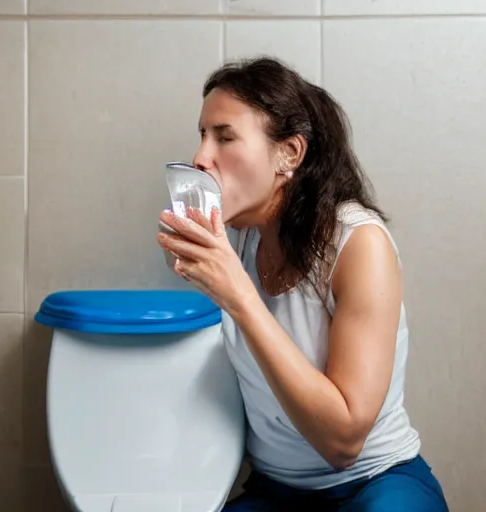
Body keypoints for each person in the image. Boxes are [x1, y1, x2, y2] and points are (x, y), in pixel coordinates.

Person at [157, 57, 448, 511]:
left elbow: (343, 442)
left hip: (376, 481)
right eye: (202, 135)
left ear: (289, 154)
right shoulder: (237, 239)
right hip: (274, 491)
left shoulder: (358, 244)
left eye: (224, 136)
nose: (200, 157)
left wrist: (238, 296)